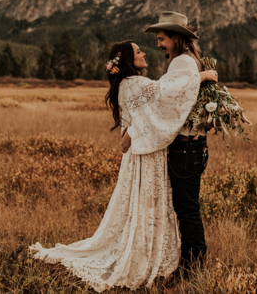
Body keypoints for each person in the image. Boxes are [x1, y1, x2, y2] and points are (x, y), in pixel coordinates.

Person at [30, 40, 217, 292]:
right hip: (147, 156)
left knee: (142, 206)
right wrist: (201, 75)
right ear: (129, 60)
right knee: (150, 205)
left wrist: (131, 131)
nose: (144, 52)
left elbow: (143, 114)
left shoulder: (126, 85)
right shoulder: (136, 83)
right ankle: (152, 256)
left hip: (139, 153)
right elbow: (166, 92)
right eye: (138, 51)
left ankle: (156, 254)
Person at [143, 11, 215, 270]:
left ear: (176, 37)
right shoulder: (187, 60)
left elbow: (168, 93)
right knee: (187, 208)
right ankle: (190, 264)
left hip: (186, 148)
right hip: (191, 148)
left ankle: (193, 268)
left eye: (162, 39)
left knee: (187, 210)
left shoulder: (183, 62)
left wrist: (201, 77)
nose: (159, 44)